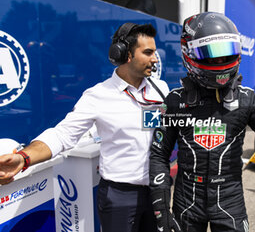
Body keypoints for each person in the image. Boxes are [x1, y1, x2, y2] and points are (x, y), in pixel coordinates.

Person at [0, 22, 169, 232]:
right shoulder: (97, 96)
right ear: (125, 54)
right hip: (119, 197)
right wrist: (24, 158)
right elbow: (62, 135)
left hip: (156, 191)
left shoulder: (160, 88)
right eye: (148, 52)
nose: (155, 58)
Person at [148, 12, 255, 232]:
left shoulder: (246, 99)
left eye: (226, 53)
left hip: (229, 199)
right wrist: (161, 208)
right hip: (187, 199)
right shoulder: (175, 101)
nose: (220, 61)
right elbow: (159, 155)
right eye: (211, 54)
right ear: (188, 53)